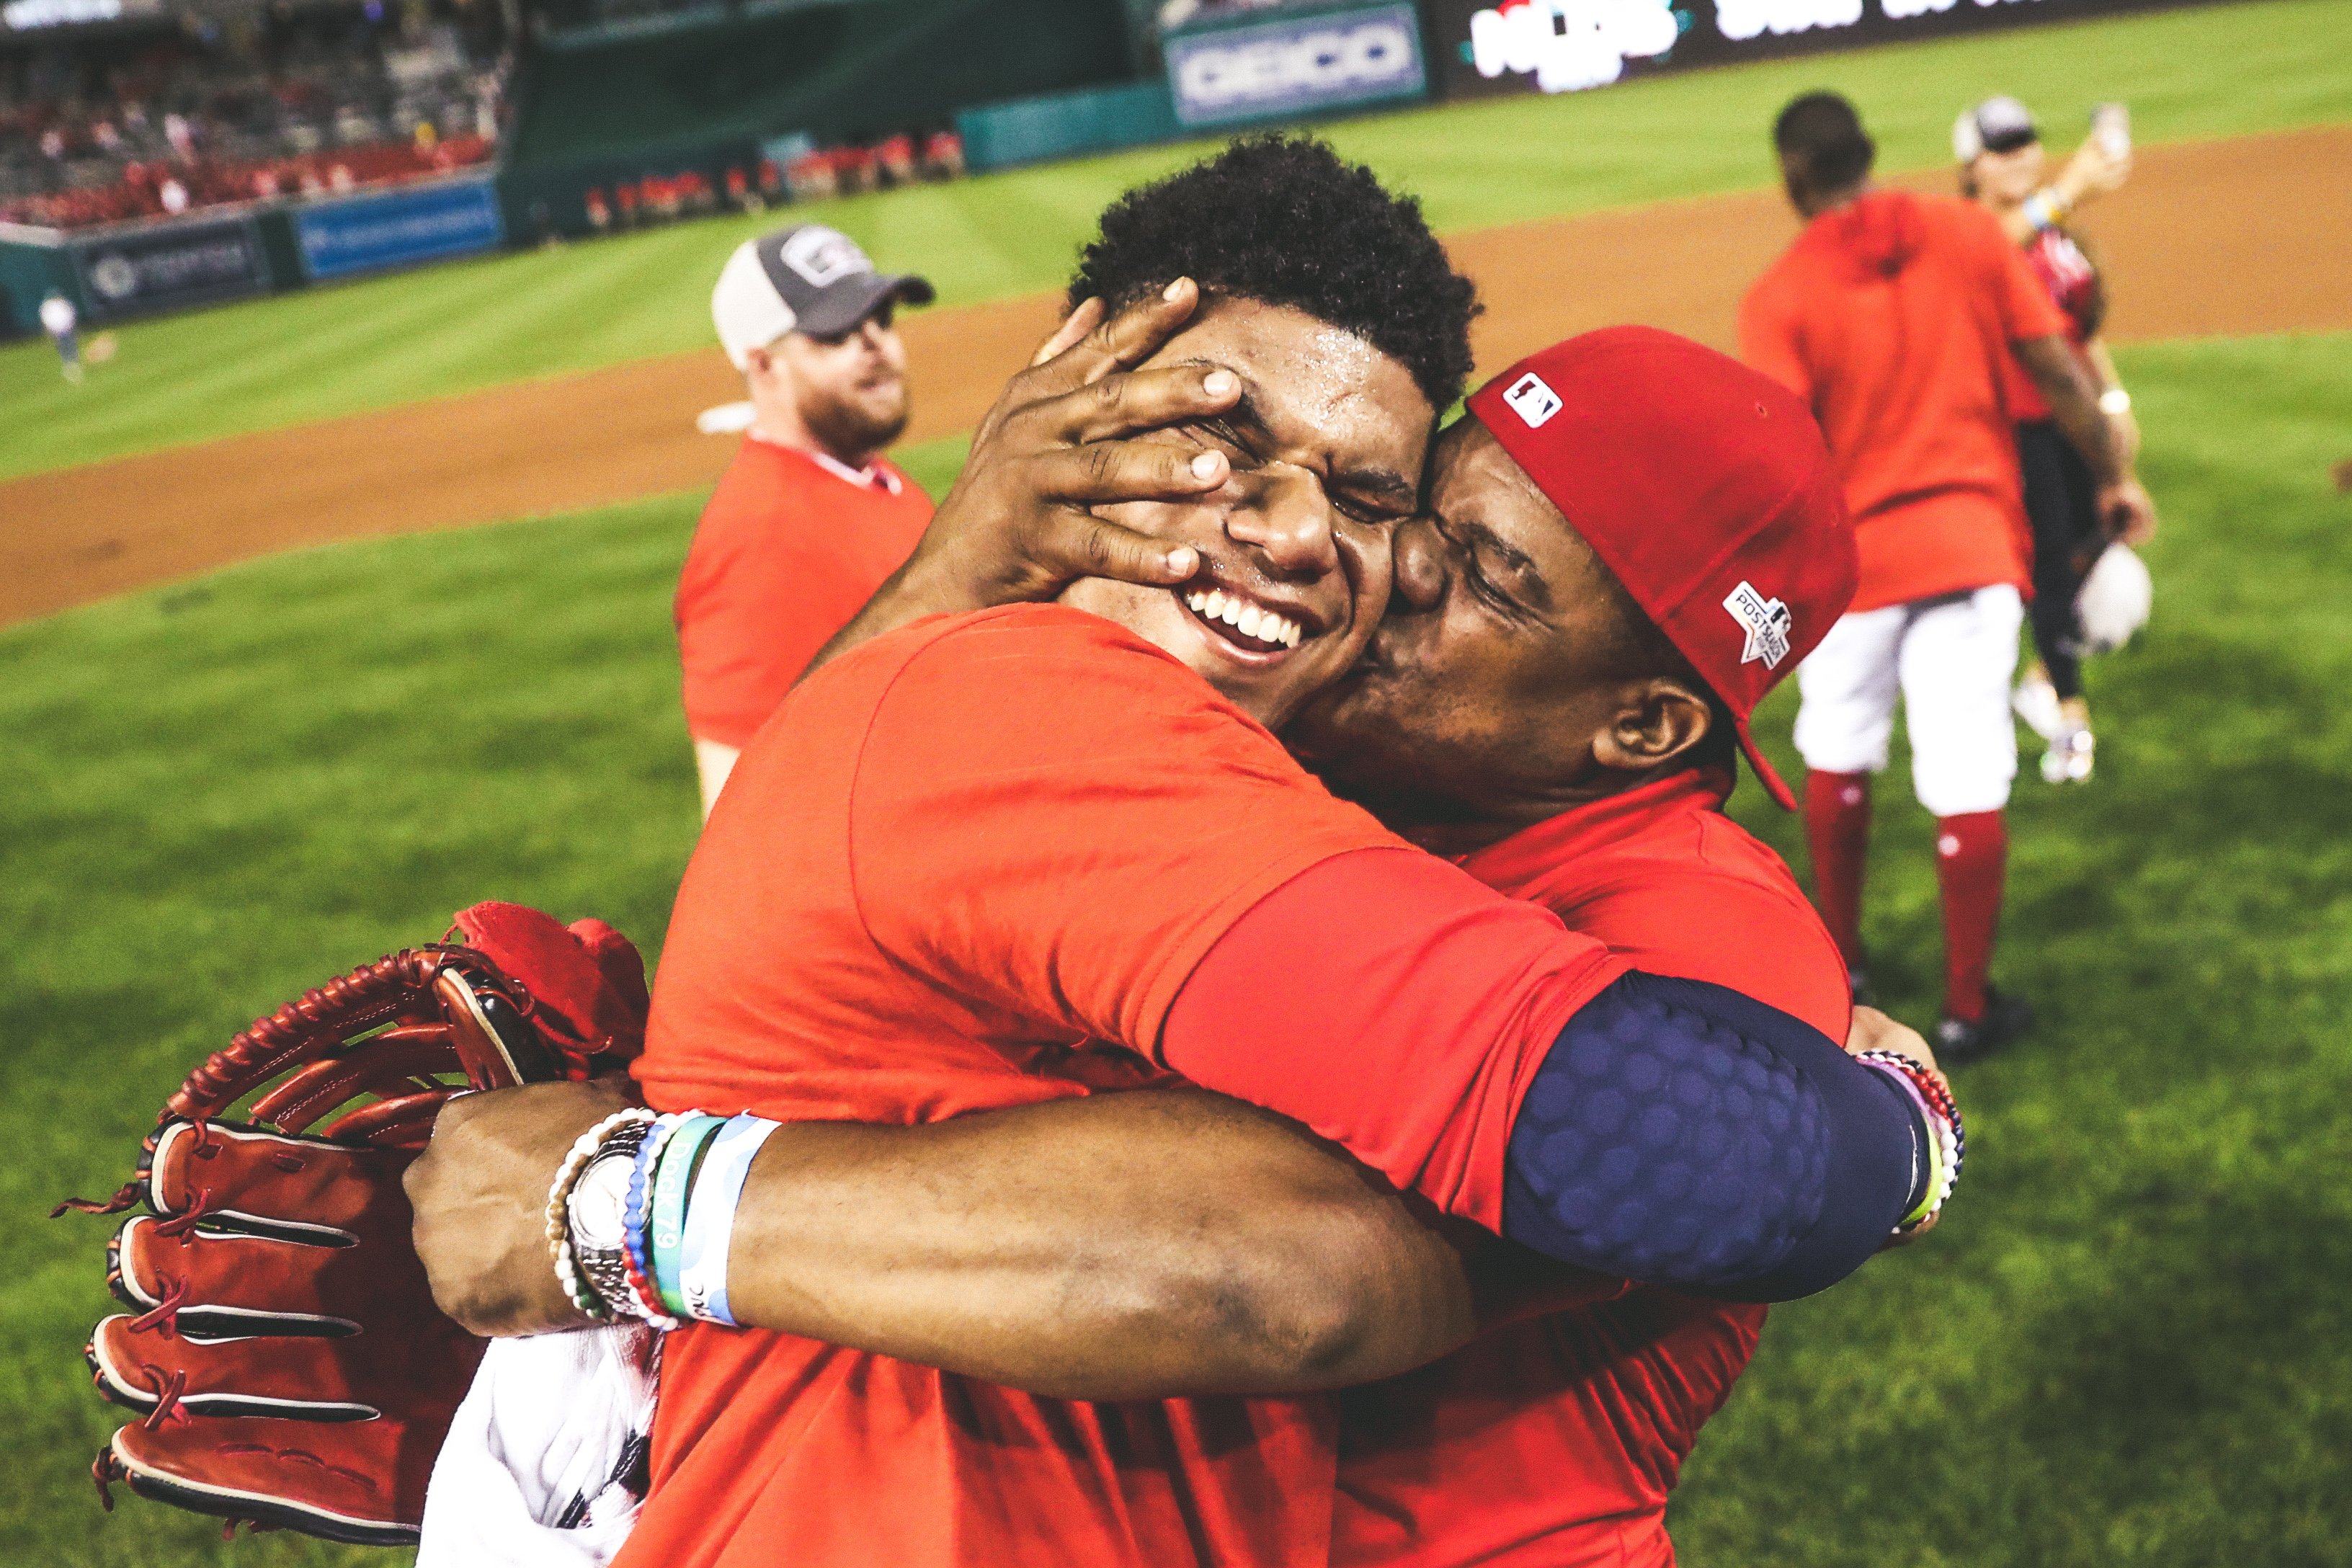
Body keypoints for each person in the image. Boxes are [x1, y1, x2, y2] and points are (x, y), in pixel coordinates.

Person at [412, 138, 1943, 1567]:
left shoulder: (1658, 912)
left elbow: (1346, 1255)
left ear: (1642, 727)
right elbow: (1299, 1264)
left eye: (1382, 505)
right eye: (1222, 434)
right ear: (1070, 389)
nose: (1335, 547)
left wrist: (638, 1205)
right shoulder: (1033, 706)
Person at [1740, 91, 2155, 1059]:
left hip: (1853, 569)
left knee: (1838, 751)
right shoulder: (1967, 235)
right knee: (1965, 767)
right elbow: (2056, 373)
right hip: (1971, 548)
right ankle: (1971, 1008)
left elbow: (1779, 456)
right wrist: (2113, 477)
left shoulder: (1780, 296)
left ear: (1793, 179)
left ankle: (1841, 970)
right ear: (1871, 152)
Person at [673, 223, 937, 815]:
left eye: (882, 320)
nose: (876, 346)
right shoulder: (758, 539)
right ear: (764, 365)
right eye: (836, 333)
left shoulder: (875, 479)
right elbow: (741, 815)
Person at [1956, 95, 2141, 783]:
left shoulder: (2057, 231)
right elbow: (1983, 255)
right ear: (1971, 165)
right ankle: (2070, 719)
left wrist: (2114, 399)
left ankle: (2040, 677)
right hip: (2015, 425)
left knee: (2100, 535)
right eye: (2001, 148)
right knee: (2051, 565)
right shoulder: (1972, 229)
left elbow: (2081, 327)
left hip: (2074, 416)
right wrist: (2066, 191)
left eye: (2028, 143)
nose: (2020, 157)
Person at [40, 290, 83, 383]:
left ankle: (73, 364)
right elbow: (47, 320)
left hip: (65, 328)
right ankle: (69, 365)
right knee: (64, 347)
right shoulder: (49, 306)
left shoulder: (62, 304)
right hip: (58, 329)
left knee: (70, 346)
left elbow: (71, 315)